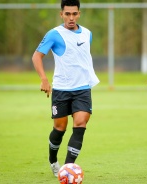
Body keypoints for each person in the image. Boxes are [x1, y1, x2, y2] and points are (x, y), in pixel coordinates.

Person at [32, 0, 99, 177]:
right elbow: (36, 56)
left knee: (80, 123)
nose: (71, 17)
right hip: (61, 89)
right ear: (61, 14)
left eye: (74, 14)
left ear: (79, 14)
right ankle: (53, 161)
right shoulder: (54, 34)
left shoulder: (87, 34)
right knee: (59, 128)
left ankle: (68, 169)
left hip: (83, 89)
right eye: (67, 14)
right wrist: (44, 79)